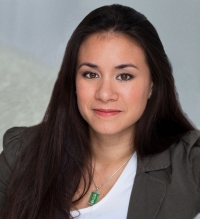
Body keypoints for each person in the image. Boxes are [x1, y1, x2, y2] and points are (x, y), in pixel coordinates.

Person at [0, 4, 199, 219]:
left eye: (124, 76)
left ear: (152, 84)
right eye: (91, 74)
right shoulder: (21, 152)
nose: (105, 94)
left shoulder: (189, 165)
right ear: (73, 82)